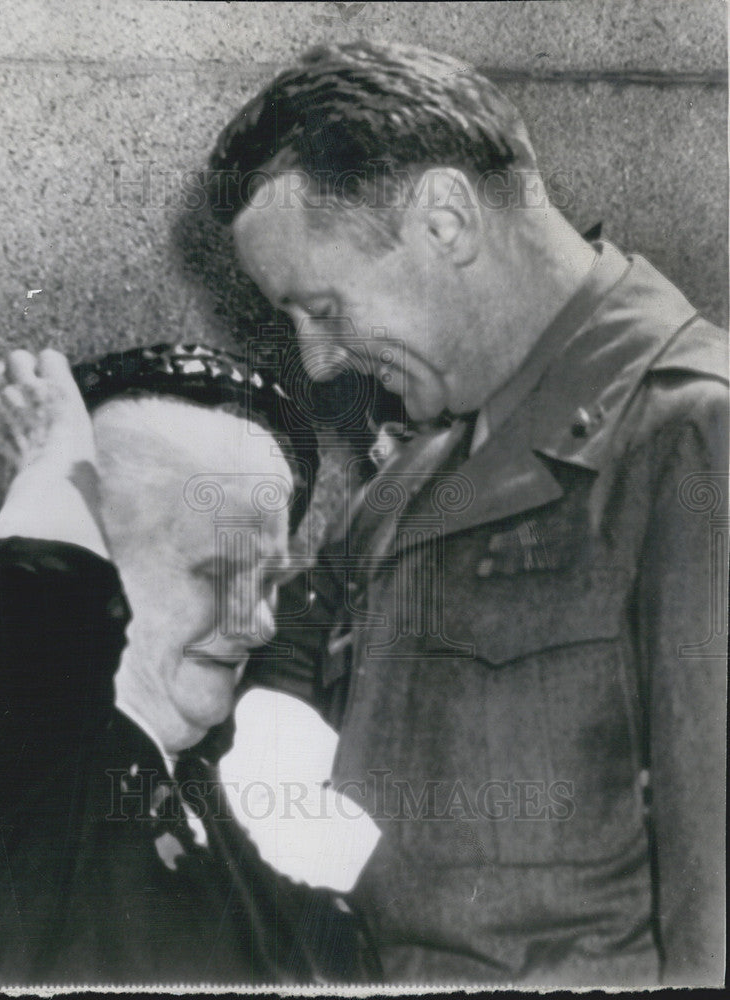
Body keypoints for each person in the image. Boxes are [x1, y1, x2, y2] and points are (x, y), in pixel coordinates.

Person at [205, 40, 728, 987]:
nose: (319, 361)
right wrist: (278, 717)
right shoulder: (417, 473)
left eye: (323, 306)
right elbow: (293, 634)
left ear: (446, 219)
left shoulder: (694, 439)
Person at [0, 343, 376, 989]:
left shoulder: (233, 813)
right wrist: (52, 479)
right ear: (86, 570)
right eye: (216, 574)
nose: (259, 623)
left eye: (269, 580)